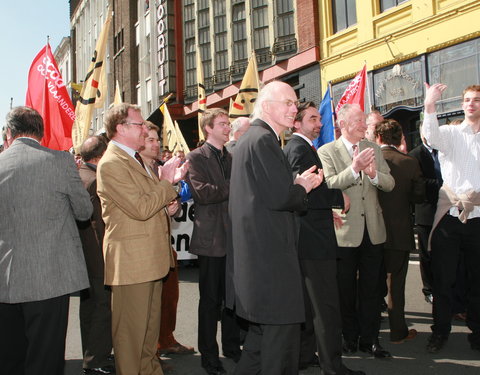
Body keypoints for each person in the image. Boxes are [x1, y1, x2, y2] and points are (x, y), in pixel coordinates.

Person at [228, 81, 321, 374]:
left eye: (295, 103)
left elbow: (266, 195)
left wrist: (294, 186)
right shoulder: (263, 140)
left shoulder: (255, 139)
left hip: (259, 262)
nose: (294, 108)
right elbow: (280, 197)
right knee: (280, 348)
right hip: (270, 264)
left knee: (258, 346)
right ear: (267, 106)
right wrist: (302, 186)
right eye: (289, 103)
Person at [0, 106, 93, 375]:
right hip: (49, 278)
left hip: (5, 280)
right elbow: (84, 212)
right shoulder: (60, 161)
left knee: (9, 357)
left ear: (9, 133)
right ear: (41, 133)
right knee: (45, 357)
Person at [96, 103, 188, 375]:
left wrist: (167, 206)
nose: (144, 128)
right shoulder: (112, 163)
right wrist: (167, 183)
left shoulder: (135, 160)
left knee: (148, 339)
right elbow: (139, 208)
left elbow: (150, 204)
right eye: (139, 124)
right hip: (132, 264)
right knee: (131, 340)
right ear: (121, 128)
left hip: (149, 260)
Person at [283, 101, 365, 375]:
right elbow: (302, 190)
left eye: (319, 118)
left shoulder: (301, 147)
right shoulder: (298, 148)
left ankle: (306, 357)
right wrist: (337, 197)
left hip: (310, 236)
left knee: (309, 306)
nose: (319, 124)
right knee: (326, 307)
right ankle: (333, 366)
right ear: (296, 123)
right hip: (313, 242)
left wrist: (326, 208)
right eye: (313, 119)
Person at [318, 103, 395, 359]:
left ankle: (371, 339)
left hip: (373, 231)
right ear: (343, 124)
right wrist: (354, 169)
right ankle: (348, 337)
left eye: (364, 121)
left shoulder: (373, 149)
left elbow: (389, 182)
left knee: (372, 289)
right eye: (359, 121)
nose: (365, 126)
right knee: (345, 290)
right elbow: (328, 184)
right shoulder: (327, 151)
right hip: (344, 233)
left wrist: (373, 175)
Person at [421, 83, 480, 354]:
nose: (471, 104)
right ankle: (440, 332)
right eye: (467, 100)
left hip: (479, 218)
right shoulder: (450, 133)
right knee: (443, 281)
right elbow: (430, 136)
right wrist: (430, 104)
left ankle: (477, 333)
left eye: (476, 100)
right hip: (450, 217)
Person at [186, 108, 240, 375]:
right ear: (208, 128)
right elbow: (203, 193)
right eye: (222, 124)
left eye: (228, 123)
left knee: (232, 297)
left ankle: (231, 347)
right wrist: (235, 185)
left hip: (234, 238)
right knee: (210, 300)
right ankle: (208, 354)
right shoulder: (196, 157)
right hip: (210, 240)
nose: (228, 127)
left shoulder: (232, 157)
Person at [138, 123, 194, 361]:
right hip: (145, 249)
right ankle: (149, 354)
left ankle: (165, 340)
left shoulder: (156, 168)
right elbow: (142, 207)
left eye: (157, 138)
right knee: (148, 306)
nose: (156, 143)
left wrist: (172, 207)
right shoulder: (138, 170)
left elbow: (163, 204)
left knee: (169, 298)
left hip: (164, 245)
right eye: (150, 139)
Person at [375, 119, 425, 344]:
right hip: (399, 232)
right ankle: (398, 332)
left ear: (378, 138)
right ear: (400, 138)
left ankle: (367, 333)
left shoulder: (373, 160)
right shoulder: (409, 162)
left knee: (368, 284)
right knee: (396, 286)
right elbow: (419, 196)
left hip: (372, 232)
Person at [77, 136, 114, 375]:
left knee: (88, 306)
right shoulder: (95, 180)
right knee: (102, 307)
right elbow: (99, 224)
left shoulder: (79, 174)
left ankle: (89, 353)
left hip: (83, 256)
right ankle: (96, 359)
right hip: (97, 255)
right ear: (100, 156)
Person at [408, 129, 442, 305]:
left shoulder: (443, 151)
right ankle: (429, 289)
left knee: (444, 254)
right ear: (422, 134)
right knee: (426, 255)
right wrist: (443, 183)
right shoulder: (415, 155)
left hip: (446, 211)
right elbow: (418, 183)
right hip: (425, 213)